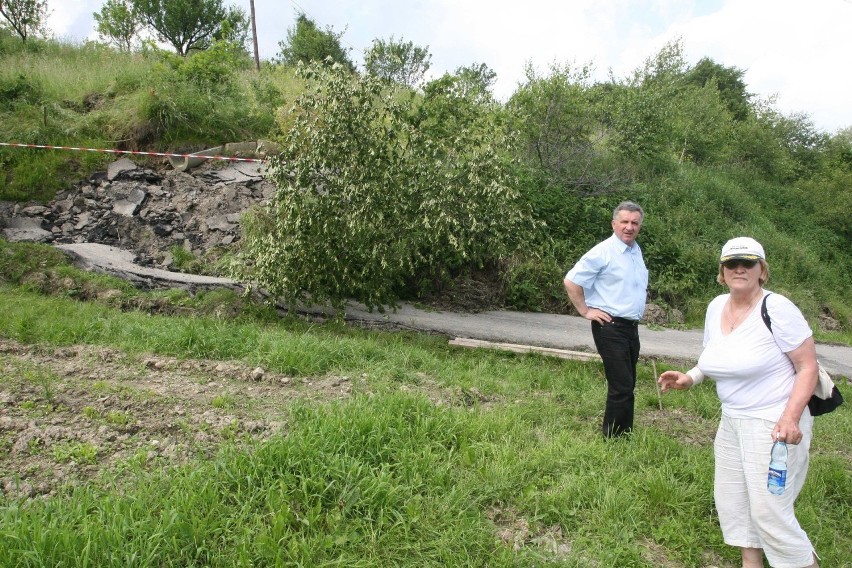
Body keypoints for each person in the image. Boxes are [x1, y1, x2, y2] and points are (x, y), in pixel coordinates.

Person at [658, 236, 819, 568]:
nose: (740, 269)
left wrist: (790, 417)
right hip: (731, 418)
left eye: (748, 263)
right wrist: (692, 377)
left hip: (773, 422)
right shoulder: (716, 306)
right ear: (722, 271)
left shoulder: (776, 308)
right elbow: (716, 356)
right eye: (732, 263)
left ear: (762, 270)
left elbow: (808, 367)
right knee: (734, 500)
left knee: (769, 511)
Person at [564, 201, 648, 438]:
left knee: (628, 383)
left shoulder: (635, 250)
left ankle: (625, 433)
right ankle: (613, 439)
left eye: (634, 223)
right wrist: (585, 310)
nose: (629, 227)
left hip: (630, 328)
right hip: (610, 326)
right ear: (614, 224)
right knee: (621, 385)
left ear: (639, 226)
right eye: (624, 222)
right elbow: (571, 281)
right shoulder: (603, 252)